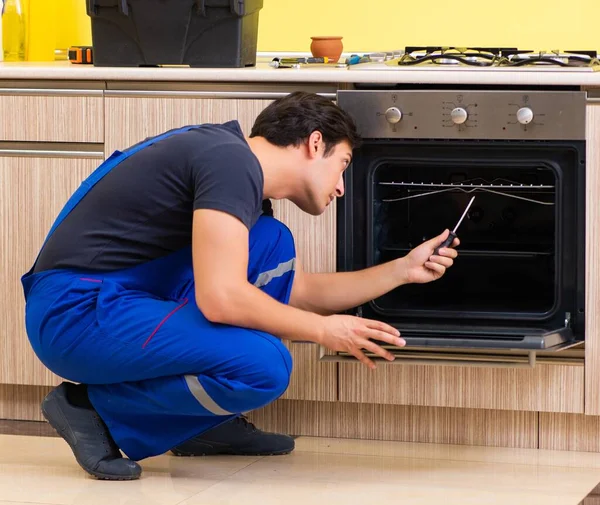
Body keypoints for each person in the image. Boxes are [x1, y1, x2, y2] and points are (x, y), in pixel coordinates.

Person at [21, 91, 459, 481]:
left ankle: (199, 425)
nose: (342, 187)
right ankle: (90, 408)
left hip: (113, 299)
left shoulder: (232, 164)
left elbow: (297, 292)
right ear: (315, 143)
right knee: (264, 365)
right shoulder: (229, 162)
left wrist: (402, 269)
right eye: (343, 165)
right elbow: (222, 298)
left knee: (270, 242)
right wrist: (326, 331)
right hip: (76, 313)